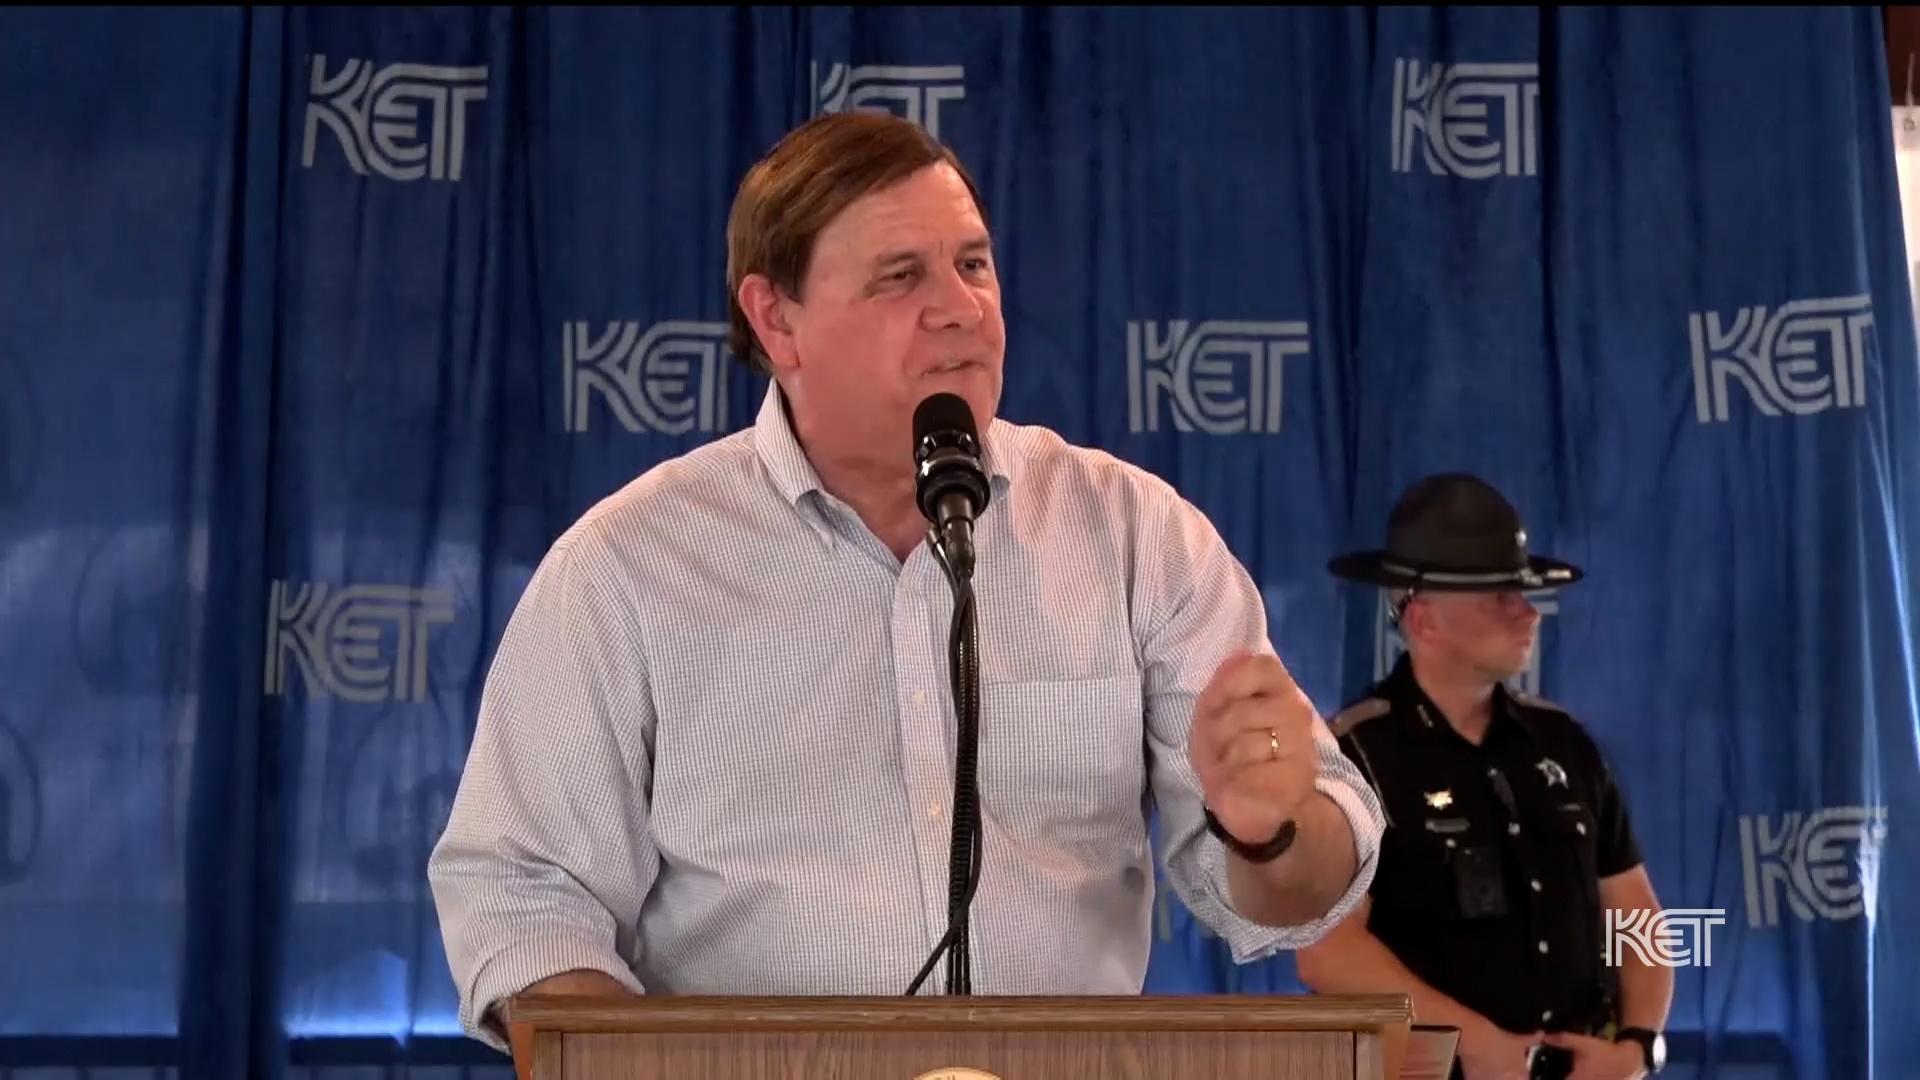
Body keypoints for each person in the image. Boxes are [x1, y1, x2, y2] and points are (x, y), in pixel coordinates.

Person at [426, 111, 1386, 1056]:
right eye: (901, 276)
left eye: (974, 264)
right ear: (777, 320)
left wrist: (1269, 834)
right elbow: (522, 898)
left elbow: (1305, 882)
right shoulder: (629, 567)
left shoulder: (1135, 535)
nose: (961, 307)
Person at [1296, 473, 1673, 1080]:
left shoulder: (1566, 745)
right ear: (1425, 621)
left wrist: (1637, 1047)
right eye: (1500, 597)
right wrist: (1473, 1042)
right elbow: (1327, 952)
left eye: (1523, 593)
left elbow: (1637, 917)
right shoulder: (1356, 757)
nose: (1529, 613)